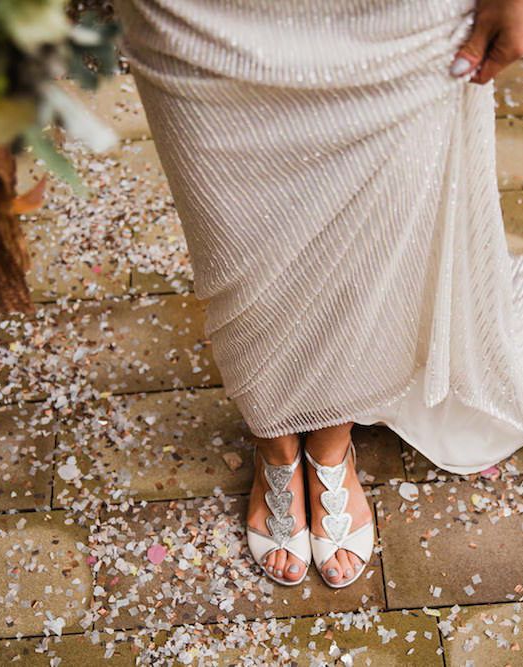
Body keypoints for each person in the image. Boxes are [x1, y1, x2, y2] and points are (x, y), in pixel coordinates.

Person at [112, 0, 523, 588]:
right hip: (200, 21)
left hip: (396, 23)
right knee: (235, 244)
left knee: (378, 245)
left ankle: (331, 445)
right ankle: (277, 448)